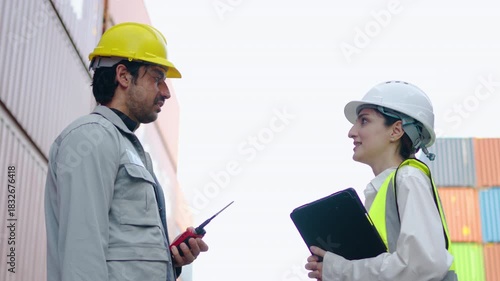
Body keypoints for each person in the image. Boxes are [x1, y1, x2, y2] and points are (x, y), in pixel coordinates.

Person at [44, 22, 208, 281]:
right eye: (157, 77)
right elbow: (82, 255)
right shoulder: (92, 137)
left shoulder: (129, 149)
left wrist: (169, 263)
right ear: (123, 75)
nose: (165, 92)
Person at [305, 81, 457, 281]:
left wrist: (340, 270)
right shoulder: (384, 190)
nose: (351, 132)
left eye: (364, 121)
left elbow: (423, 265)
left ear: (395, 131)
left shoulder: (409, 178)